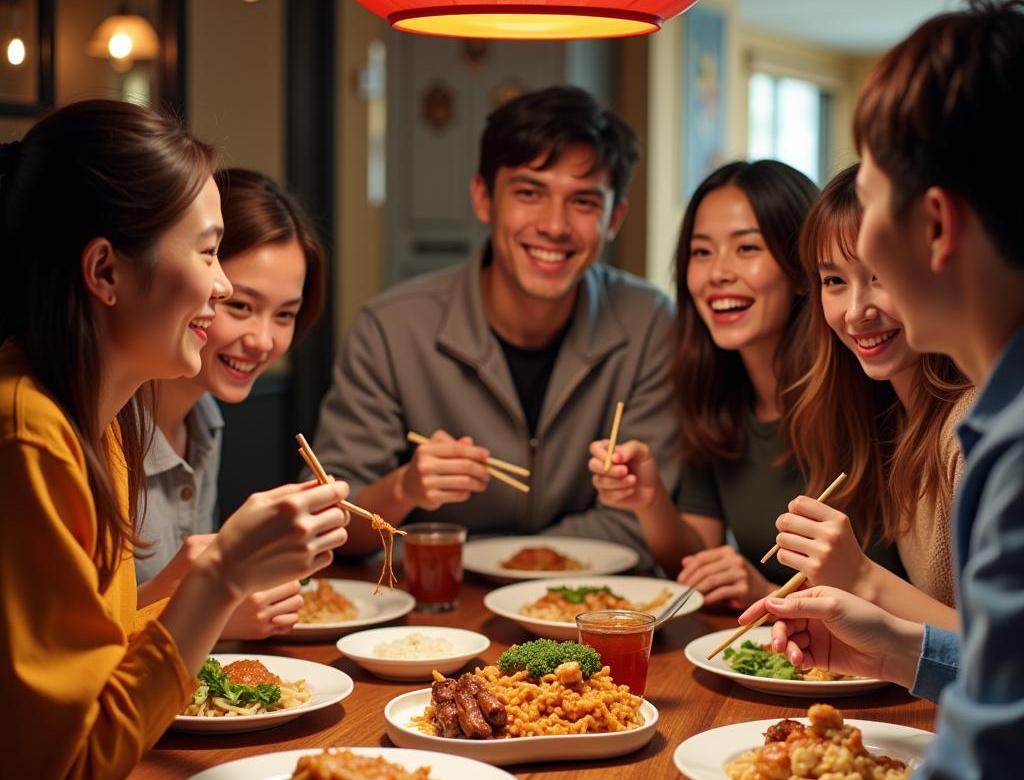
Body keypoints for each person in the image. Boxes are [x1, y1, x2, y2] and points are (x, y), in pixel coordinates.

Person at [0, 100, 349, 780]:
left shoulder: (100, 422)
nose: (224, 288)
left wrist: (209, 583)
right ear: (104, 273)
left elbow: (99, 659)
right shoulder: (29, 435)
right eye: (211, 254)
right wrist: (220, 577)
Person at [739, 0, 1024, 780]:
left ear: (933, 225)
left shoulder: (1005, 446)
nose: (857, 285)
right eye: (833, 276)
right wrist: (901, 645)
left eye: (867, 200)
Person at [312, 85, 679, 566]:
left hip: (591, 610)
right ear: (484, 198)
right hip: (428, 616)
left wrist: (511, 560)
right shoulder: (390, 329)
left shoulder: (650, 323)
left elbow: (639, 521)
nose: (554, 225)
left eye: (584, 202)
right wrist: (405, 487)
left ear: (615, 219)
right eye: (529, 192)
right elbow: (333, 523)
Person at [591, 160, 848, 605]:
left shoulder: (863, 397)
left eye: (747, 249)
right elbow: (695, 566)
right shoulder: (717, 396)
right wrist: (648, 498)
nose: (717, 274)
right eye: (702, 252)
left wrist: (765, 592)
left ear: (804, 269)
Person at [136, 168, 327, 639]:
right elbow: (72, 640)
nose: (263, 340)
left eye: (285, 315)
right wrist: (210, 608)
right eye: (240, 306)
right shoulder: (98, 426)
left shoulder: (205, 418)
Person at [779, 164, 971, 626]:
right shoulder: (889, 414)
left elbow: (1003, 655)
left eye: (880, 275)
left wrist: (862, 577)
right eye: (834, 281)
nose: (855, 311)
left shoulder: (971, 428)